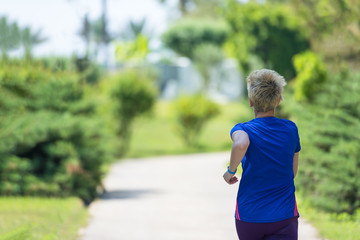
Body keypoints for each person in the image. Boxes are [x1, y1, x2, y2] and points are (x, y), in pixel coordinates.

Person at [223, 69, 301, 240]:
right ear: (279, 100)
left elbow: (241, 143)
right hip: (284, 215)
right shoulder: (291, 129)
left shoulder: (243, 129)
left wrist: (230, 171)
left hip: (249, 216)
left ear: (251, 101)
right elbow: (292, 173)